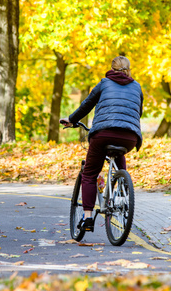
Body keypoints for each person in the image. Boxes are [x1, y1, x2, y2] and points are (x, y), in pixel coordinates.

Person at [60, 56, 143, 232]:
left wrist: (71, 119)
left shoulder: (104, 83)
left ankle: (88, 218)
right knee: (119, 153)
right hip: (130, 136)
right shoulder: (137, 86)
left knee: (89, 173)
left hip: (103, 133)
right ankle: (122, 187)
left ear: (112, 69)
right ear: (129, 68)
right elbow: (138, 111)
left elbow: (87, 104)